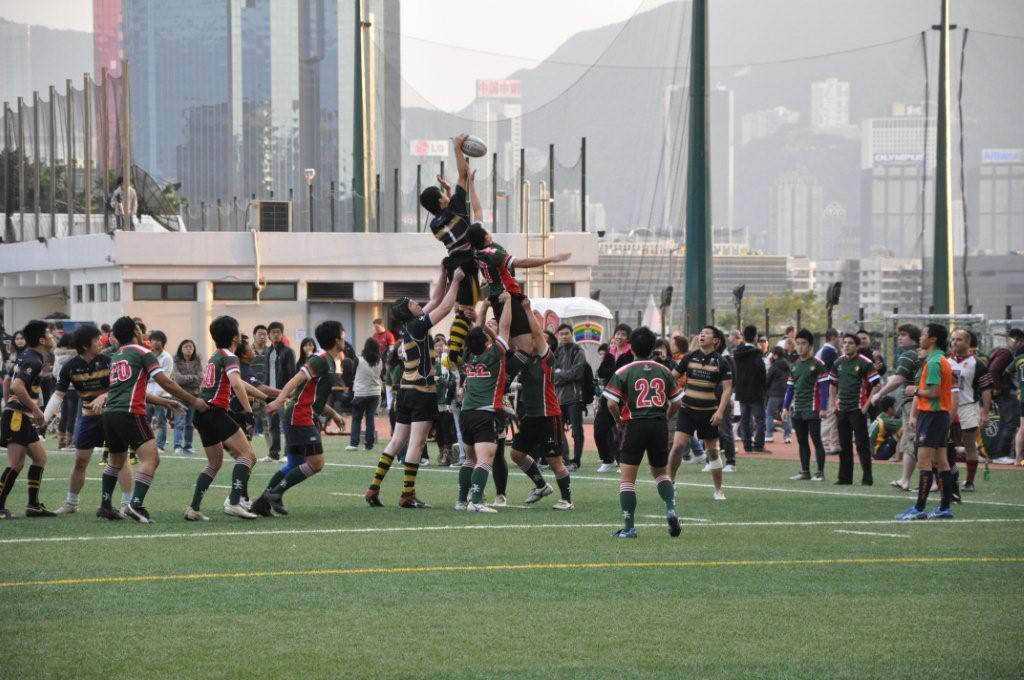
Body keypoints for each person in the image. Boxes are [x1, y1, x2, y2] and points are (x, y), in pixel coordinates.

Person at [365, 265, 464, 508]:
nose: (417, 303)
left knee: (397, 441)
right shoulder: (418, 326)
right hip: (422, 393)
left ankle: (373, 488)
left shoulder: (409, 326)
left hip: (406, 392)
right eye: (411, 302)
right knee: (416, 444)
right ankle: (407, 495)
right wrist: (458, 280)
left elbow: (435, 299)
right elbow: (445, 306)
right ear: (406, 311)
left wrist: (444, 273)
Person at [100, 317, 209, 523]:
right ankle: (136, 504)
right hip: (130, 413)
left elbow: (130, 390)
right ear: (135, 332)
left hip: (111, 413)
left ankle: (105, 505)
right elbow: (166, 382)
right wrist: (194, 400)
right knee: (151, 459)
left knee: (115, 461)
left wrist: (165, 403)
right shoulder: (143, 352)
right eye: (141, 330)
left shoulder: (117, 356)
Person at [44, 325, 145, 515]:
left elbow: (122, 387)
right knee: (80, 461)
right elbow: (58, 395)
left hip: (113, 417)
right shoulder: (70, 367)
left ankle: (126, 503)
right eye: (96, 340)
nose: (101, 342)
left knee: (119, 460)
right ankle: (71, 503)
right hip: (89, 419)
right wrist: (43, 419)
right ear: (84, 345)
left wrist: (104, 395)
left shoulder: (110, 362)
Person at [250, 322, 347, 517]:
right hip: (300, 417)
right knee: (316, 463)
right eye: (343, 335)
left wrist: (333, 414)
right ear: (337, 339)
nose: (345, 338)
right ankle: (275, 493)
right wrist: (278, 401)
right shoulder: (320, 359)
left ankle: (262, 502)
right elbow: (295, 382)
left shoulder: (329, 360)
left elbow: (311, 396)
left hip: (300, 414)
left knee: (293, 465)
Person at [604, 326, 684, 539]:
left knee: (627, 479)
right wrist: (665, 417)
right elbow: (677, 401)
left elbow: (611, 403)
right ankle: (670, 509)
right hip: (658, 425)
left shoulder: (624, 370)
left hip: (635, 425)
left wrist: (619, 420)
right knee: (661, 474)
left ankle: (629, 528)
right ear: (653, 347)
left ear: (631, 346)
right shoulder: (664, 370)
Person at [183, 316, 260, 521]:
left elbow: (239, 383)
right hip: (215, 413)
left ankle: (193, 508)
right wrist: (248, 411)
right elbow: (236, 384)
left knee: (214, 463)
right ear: (235, 337)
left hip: (202, 415)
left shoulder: (216, 356)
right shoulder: (230, 357)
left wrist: (265, 396)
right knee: (248, 456)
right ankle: (234, 502)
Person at [419, 133, 481, 364]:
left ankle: (456, 352)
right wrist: (457, 148)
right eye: (443, 195)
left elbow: (445, 208)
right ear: (442, 201)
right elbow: (464, 174)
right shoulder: (456, 207)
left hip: (454, 262)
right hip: (468, 264)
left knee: (464, 309)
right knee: (466, 310)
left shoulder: (435, 225)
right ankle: (455, 354)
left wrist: (446, 193)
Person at [508, 297, 574, 510]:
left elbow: (536, 333)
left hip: (549, 415)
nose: (534, 338)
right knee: (516, 453)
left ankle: (567, 500)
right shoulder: (525, 358)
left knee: (555, 460)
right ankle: (541, 486)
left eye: (541, 338)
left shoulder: (548, 359)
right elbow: (510, 340)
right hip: (532, 415)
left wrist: (527, 309)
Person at [467, 217, 570, 353]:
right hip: (509, 298)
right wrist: (551, 259)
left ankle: (508, 371)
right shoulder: (493, 254)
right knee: (526, 348)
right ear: (486, 237)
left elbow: (478, 213)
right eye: (485, 231)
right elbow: (522, 263)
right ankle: (517, 373)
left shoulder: (477, 251)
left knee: (509, 346)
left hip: (498, 298)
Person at [455, 291, 513, 512]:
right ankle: (476, 502)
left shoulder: (469, 355)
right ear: (488, 341)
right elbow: (505, 328)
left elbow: (476, 331)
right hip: (485, 413)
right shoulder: (494, 355)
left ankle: (462, 500)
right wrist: (506, 302)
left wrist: (484, 306)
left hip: (466, 413)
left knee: (469, 460)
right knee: (485, 459)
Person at [897, 324, 956, 520]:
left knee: (924, 461)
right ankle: (944, 508)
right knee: (942, 462)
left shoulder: (933, 363)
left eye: (923, 334)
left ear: (932, 339)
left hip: (931, 415)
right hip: (939, 415)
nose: (920, 337)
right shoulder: (940, 359)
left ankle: (919, 508)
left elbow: (933, 392)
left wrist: (914, 390)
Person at [0, 320, 59, 518]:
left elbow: (8, 380)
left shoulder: (27, 355)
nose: (52, 337)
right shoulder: (33, 359)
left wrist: (9, 402)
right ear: (41, 339)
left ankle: (33, 506)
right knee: (16, 464)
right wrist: (35, 409)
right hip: (17, 417)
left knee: (40, 458)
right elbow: (17, 385)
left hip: (18, 414)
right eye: (49, 334)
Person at [668, 326, 733, 500]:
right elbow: (672, 376)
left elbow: (727, 389)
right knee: (677, 447)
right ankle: (671, 484)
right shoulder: (689, 357)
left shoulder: (722, 362)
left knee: (713, 452)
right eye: (701, 332)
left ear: (716, 340)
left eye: (707, 333)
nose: (702, 335)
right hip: (687, 410)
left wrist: (720, 412)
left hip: (709, 413)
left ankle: (718, 490)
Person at [872, 324, 922, 490]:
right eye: (899, 334)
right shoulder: (922, 354)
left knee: (910, 441)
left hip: (913, 402)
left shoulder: (908, 355)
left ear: (914, 338)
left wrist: (880, 394)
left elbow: (899, 379)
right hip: (925, 401)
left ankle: (905, 480)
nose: (900, 337)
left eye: (904, 335)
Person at [828, 333, 880, 486]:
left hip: (857, 409)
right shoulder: (838, 363)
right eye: (844, 343)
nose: (846, 345)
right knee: (844, 445)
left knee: (862, 445)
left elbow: (876, 385)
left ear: (857, 346)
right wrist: (833, 404)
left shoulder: (865, 363)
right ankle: (845, 478)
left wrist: (866, 406)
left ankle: (867, 478)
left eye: (850, 343)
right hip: (842, 409)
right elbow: (832, 383)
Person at [782, 329, 830, 480]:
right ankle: (805, 471)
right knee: (802, 441)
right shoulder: (795, 365)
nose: (800, 347)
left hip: (813, 408)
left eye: (804, 344)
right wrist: (785, 407)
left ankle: (820, 473)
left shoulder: (818, 364)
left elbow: (824, 388)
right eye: (798, 344)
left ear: (810, 346)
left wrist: (823, 408)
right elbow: (790, 388)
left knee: (816, 440)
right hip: (798, 409)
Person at [949, 329, 992, 492]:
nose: (954, 342)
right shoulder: (945, 361)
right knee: (943, 444)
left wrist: (985, 413)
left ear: (968, 343)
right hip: (948, 407)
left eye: (959, 340)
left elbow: (986, 389)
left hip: (968, 407)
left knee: (969, 445)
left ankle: (969, 481)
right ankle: (947, 478)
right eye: (953, 339)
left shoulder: (977, 363)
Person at [594, 325, 634, 473]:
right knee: (599, 429)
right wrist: (613, 369)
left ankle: (623, 461)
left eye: (623, 334)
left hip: (624, 399)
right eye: (617, 334)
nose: (619, 337)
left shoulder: (631, 354)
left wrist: (613, 373)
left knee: (624, 432)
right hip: (608, 395)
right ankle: (607, 459)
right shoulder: (610, 353)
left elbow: (625, 375)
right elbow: (602, 372)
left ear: (628, 338)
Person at [553, 323, 587, 471]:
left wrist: (560, 374)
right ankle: (565, 459)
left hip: (574, 398)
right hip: (558, 398)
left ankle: (576, 461)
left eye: (567, 333)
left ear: (571, 334)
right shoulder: (556, 352)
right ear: (558, 336)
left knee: (577, 432)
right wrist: (562, 374)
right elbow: (551, 374)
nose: (564, 336)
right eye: (561, 334)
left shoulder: (578, 351)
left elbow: (577, 373)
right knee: (558, 430)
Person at [261, 321, 296, 462]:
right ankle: (273, 454)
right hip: (270, 395)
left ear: (282, 334)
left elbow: (292, 374)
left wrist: (289, 393)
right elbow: (265, 374)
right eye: (273, 332)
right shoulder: (267, 352)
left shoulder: (288, 352)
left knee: (287, 424)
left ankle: (288, 454)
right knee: (272, 425)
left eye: (278, 332)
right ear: (269, 335)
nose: (276, 334)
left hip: (284, 394)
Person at [986, 328, 1022, 461]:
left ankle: (1000, 453)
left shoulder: (999, 350)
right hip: (1005, 393)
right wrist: (999, 387)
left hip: (1003, 392)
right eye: (1019, 341)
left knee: (1006, 422)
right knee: (1009, 423)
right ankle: (1001, 454)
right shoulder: (1006, 353)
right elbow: (993, 370)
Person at [732, 325, 769, 454]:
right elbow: (762, 372)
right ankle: (758, 445)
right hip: (756, 391)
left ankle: (747, 445)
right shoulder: (756, 354)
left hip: (742, 391)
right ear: (755, 337)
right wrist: (764, 388)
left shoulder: (737, 353)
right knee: (759, 420)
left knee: (745, 420)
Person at [348, 338, 384, 451]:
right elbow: (381, 375)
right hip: (375, 393)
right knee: (370, 419)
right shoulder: (380, 361)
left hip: (360, 393)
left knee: (356, 418)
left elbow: (352, 373)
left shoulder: (358, 359)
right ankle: (369, 445)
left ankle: (354, 444)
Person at [171, 339, 202, 455]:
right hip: (179, 395)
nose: (189, 349)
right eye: (186, 347)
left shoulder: (197, 361)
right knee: (179, 422)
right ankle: (177, 446)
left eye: (191, 347)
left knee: (189, 424)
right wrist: (192, 378)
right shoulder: (176, 361)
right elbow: (178, 379)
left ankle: (188, 446)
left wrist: (188, 379)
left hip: (193, 396)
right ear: (181, 349)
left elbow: (200, 379)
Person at [145, 330, 174, 452]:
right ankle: (146, 444)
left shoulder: (167, 357)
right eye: (153, 340)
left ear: (163, 342)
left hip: (162, 394)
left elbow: (164, 377)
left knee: (161, 421)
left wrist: (151, 376)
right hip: (147, 393)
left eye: (158, 340)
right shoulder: (147, 355)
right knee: (145, 420)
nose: (155, 342)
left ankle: (160, 445)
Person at [816, 328, 842, 455]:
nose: (840, 340)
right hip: (826, 388)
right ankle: (824, 443)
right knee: (828, 416)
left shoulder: (826, 351)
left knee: (832, 416)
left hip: (826, 388)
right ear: (832, 337)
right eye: (839, 337)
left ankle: (832, 443)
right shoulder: (828, 352)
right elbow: (831, 374)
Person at [764, 346, 791, 444]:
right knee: (785, 414)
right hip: (787, 393)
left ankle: (769, 435)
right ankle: (787, 436)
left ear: (776, 354)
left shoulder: (774, 366)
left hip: (774, 393)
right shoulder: (789, 365)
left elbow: (767, 380)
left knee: (769, 414)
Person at [868, 396, 902, 460]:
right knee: (901, 430)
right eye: (895, 406)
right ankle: (898, 457)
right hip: (879, 454)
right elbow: (903, 423)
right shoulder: (886, 421)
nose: (896, 409)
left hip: (874, 451)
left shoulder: (881, 416)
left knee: (893, 432)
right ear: (889, 409)